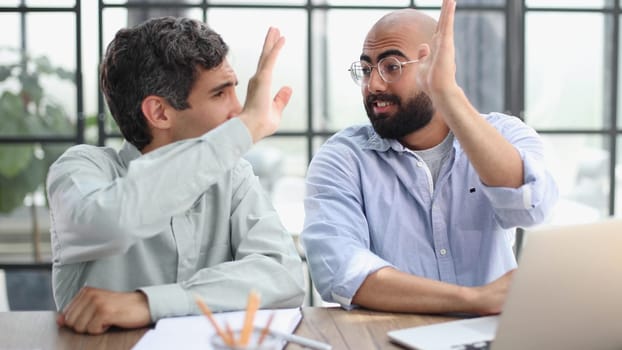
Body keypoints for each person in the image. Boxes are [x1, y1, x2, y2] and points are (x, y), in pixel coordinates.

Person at [46, 17, 305, 334]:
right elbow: (113, 221)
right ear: (159, 113)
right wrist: (246, 129)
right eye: (219, 94)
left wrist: (148, 303)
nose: (238, 111)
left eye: (235, 90)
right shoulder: (80, 169)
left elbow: (284, 276)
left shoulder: (233, 175)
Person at [301, 0, 558, 315]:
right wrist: (474, 299)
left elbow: (531, 206)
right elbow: (340, 269)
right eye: (366, 69)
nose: (373, 85)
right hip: (389, 338)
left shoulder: (504, 133)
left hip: (490, 337)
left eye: (391, 66)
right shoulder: (343, 157)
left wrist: (446, 93)